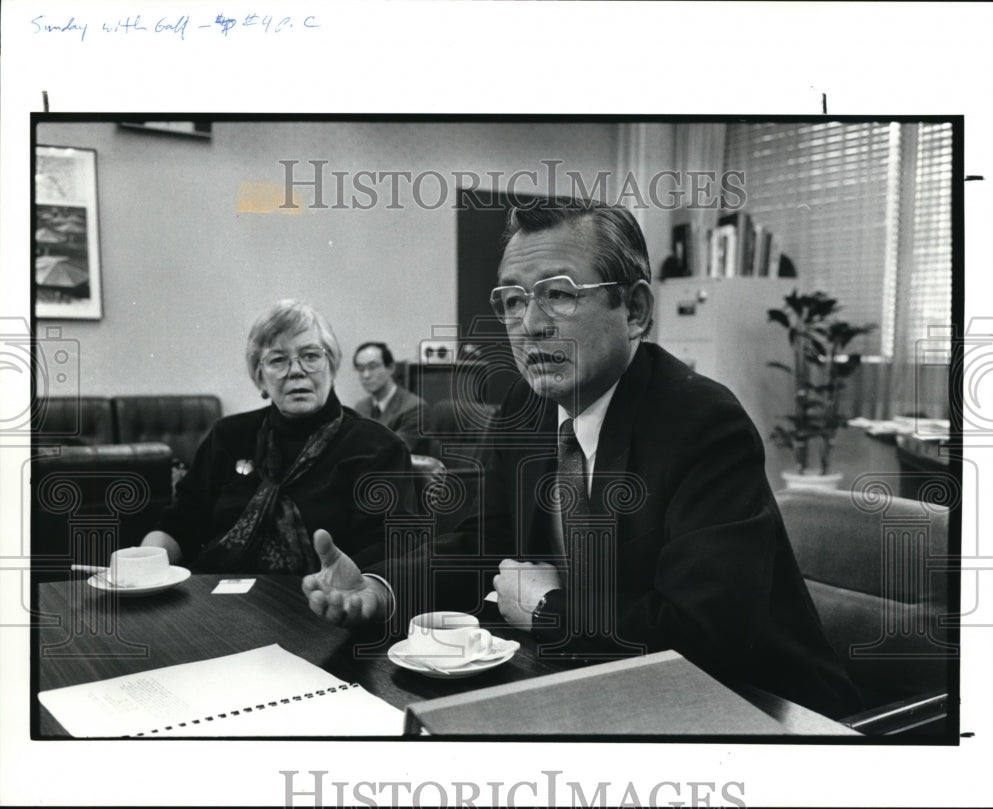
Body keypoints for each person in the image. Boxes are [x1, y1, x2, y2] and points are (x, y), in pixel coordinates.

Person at [309, 200, 860, 719]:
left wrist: (548, 607)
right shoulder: (525, 405)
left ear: (636, 309)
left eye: (559, 294)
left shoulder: (704, 424)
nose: (530, 325)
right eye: (515, 300)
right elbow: (479, 549)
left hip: (763, 710)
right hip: (601, 686)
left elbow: (704, 635)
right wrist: (380, 590)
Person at [141, 300, 409, 625]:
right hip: (212, 609)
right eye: (278, 360)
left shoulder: (376, 447)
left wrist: (353, 591)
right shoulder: (229, 435)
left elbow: (391, 549)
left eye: (310, 356)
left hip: (322, 614)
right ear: (260, 377)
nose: (296, 370)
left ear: (332, 366)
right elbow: (180, 523)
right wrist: (142, 566)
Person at [352, 342, 428, 453]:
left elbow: (393, 453)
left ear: (391, 368)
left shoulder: (415, 408)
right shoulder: (360, 407)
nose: (366, 375)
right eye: (360, 369)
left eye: (372, 367)